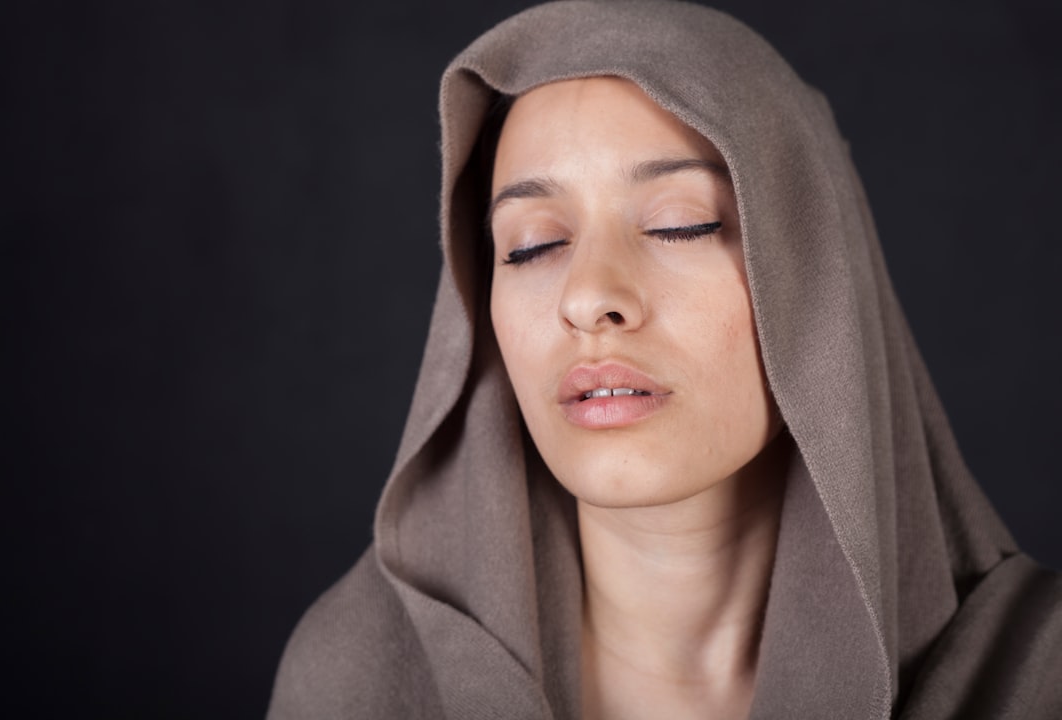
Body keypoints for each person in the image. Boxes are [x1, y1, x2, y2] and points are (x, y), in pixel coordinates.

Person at [267, 2, 1062, 718]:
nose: (589, 298)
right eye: (533, 244)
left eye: (679, 225)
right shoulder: (359, 680)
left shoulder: (1038, 679)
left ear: (818, 276)